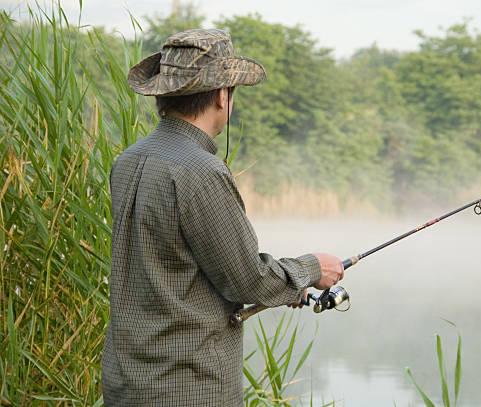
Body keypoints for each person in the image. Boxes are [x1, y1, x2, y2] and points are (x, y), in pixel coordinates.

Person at [101, 28, 345, 406]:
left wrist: (290, 290)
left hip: (126, 385)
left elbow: (179, 269)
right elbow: (246, 280)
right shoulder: (201, 171)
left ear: (163, 95)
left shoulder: (127, 160)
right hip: (188, 390)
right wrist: (312, 269)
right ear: (221, 95)